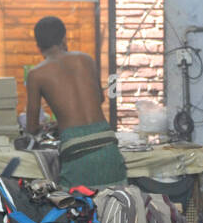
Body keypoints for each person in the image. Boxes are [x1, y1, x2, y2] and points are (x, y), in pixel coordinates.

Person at [25, 16, 127, 190]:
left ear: (38, 46)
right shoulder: (85, 59)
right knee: (116, 206)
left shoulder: (36, 74)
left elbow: (31, 127)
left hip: (76, 149)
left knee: (77, 209)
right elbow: (99, 99)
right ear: (64, 38)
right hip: (107, 143)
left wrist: (55, 125)